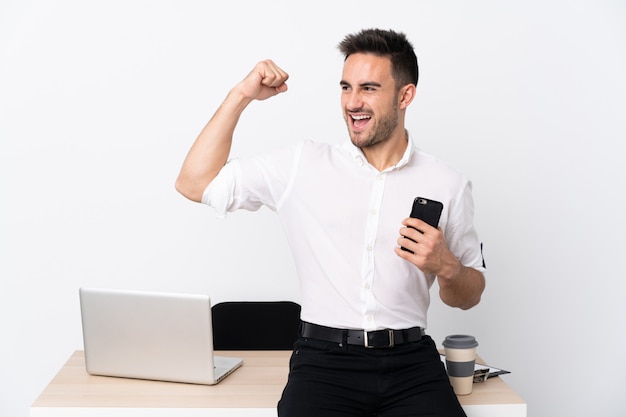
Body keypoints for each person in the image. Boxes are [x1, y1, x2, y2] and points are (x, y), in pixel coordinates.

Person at [176, 28, 486, 417]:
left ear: (405, 95)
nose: (352, 102)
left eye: (369, 88)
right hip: (324, 365)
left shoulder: (448, 183)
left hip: (412, 364)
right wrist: (241, 96)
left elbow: (469, 294)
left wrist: (446, 266)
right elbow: (193, 183)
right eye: (346, 87)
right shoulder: (302, 165)